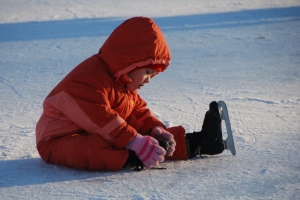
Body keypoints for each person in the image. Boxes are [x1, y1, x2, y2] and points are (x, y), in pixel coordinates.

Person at [36, 16, 224, 171]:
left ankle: (199, 142)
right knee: (97, 147)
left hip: (95, 130)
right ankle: (134, 157)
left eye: (153, 75)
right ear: (130, 64)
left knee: (139, 137)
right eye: (147, 72)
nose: (149, 79)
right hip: (57, 140)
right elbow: (102, 119)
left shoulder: (122, 83)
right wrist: (135, 143)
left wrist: (154, 130)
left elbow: (136, 114)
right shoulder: (86, 79)